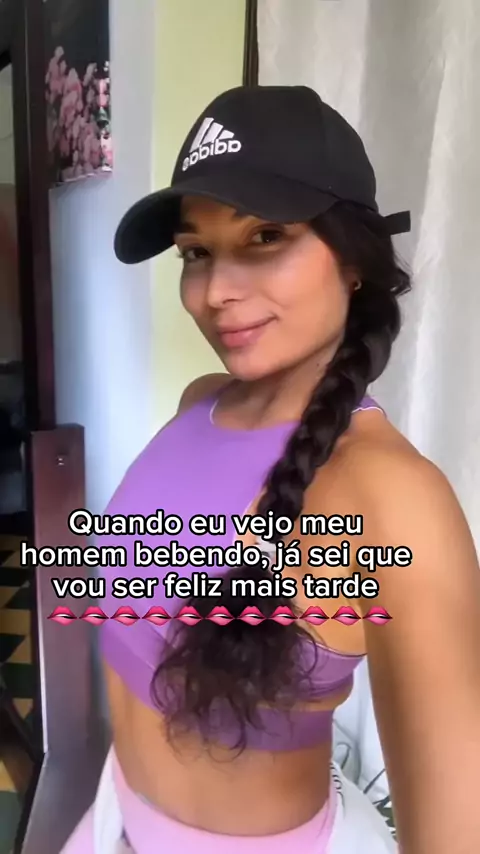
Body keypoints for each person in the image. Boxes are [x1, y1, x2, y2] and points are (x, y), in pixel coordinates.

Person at [61, 86, 480, 853]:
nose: (216, 293)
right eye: (196, 252)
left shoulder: (395, 500)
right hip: (114, 816)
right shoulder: (198, 404)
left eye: (265, 237)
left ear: (353, 260)